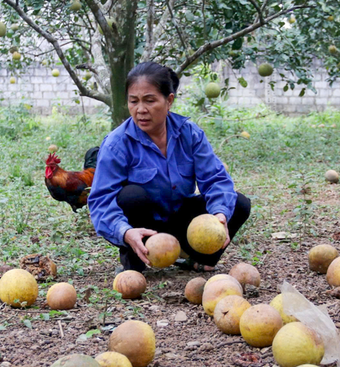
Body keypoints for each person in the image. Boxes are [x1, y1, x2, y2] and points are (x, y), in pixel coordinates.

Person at [88, 62, 251, 273]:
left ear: (169, 101)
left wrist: (219, 214)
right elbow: (101, 201)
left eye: (149, 100)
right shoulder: (117, 143)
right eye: (133, 101)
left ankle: (198, 259)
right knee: (131, 195)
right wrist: (125, 232)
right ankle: (135, 260)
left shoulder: (189, 134)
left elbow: (215, 179)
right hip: (143, 226)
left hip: (181, 219)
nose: (140, 110)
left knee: (238, 203)